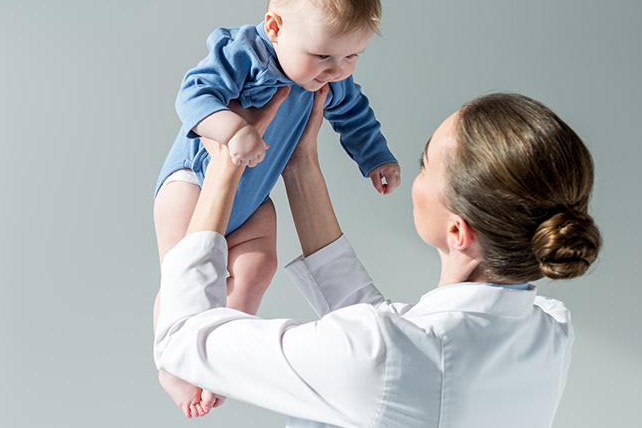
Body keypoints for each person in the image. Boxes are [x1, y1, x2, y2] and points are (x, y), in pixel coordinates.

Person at [154, 90, 602, 426]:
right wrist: (300, 161)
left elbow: (180, 340)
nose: (417, 177)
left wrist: (222, 170)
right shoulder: (549, 331)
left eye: (425, 164)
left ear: (457, 231)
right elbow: (390, 344)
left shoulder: (387, 355)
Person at [153, 0, 400, 415]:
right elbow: (193, 93)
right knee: (183, 275)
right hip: (193, 182)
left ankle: (220, 354)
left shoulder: (327, 79)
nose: (336, 71)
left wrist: (376, 158)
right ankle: (171, 361)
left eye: (353, 57)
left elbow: (355, 116)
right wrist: (232, 129)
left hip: (252, 197)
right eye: (324, 56)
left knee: (260, 265)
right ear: (274, 27)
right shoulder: (244, 53)